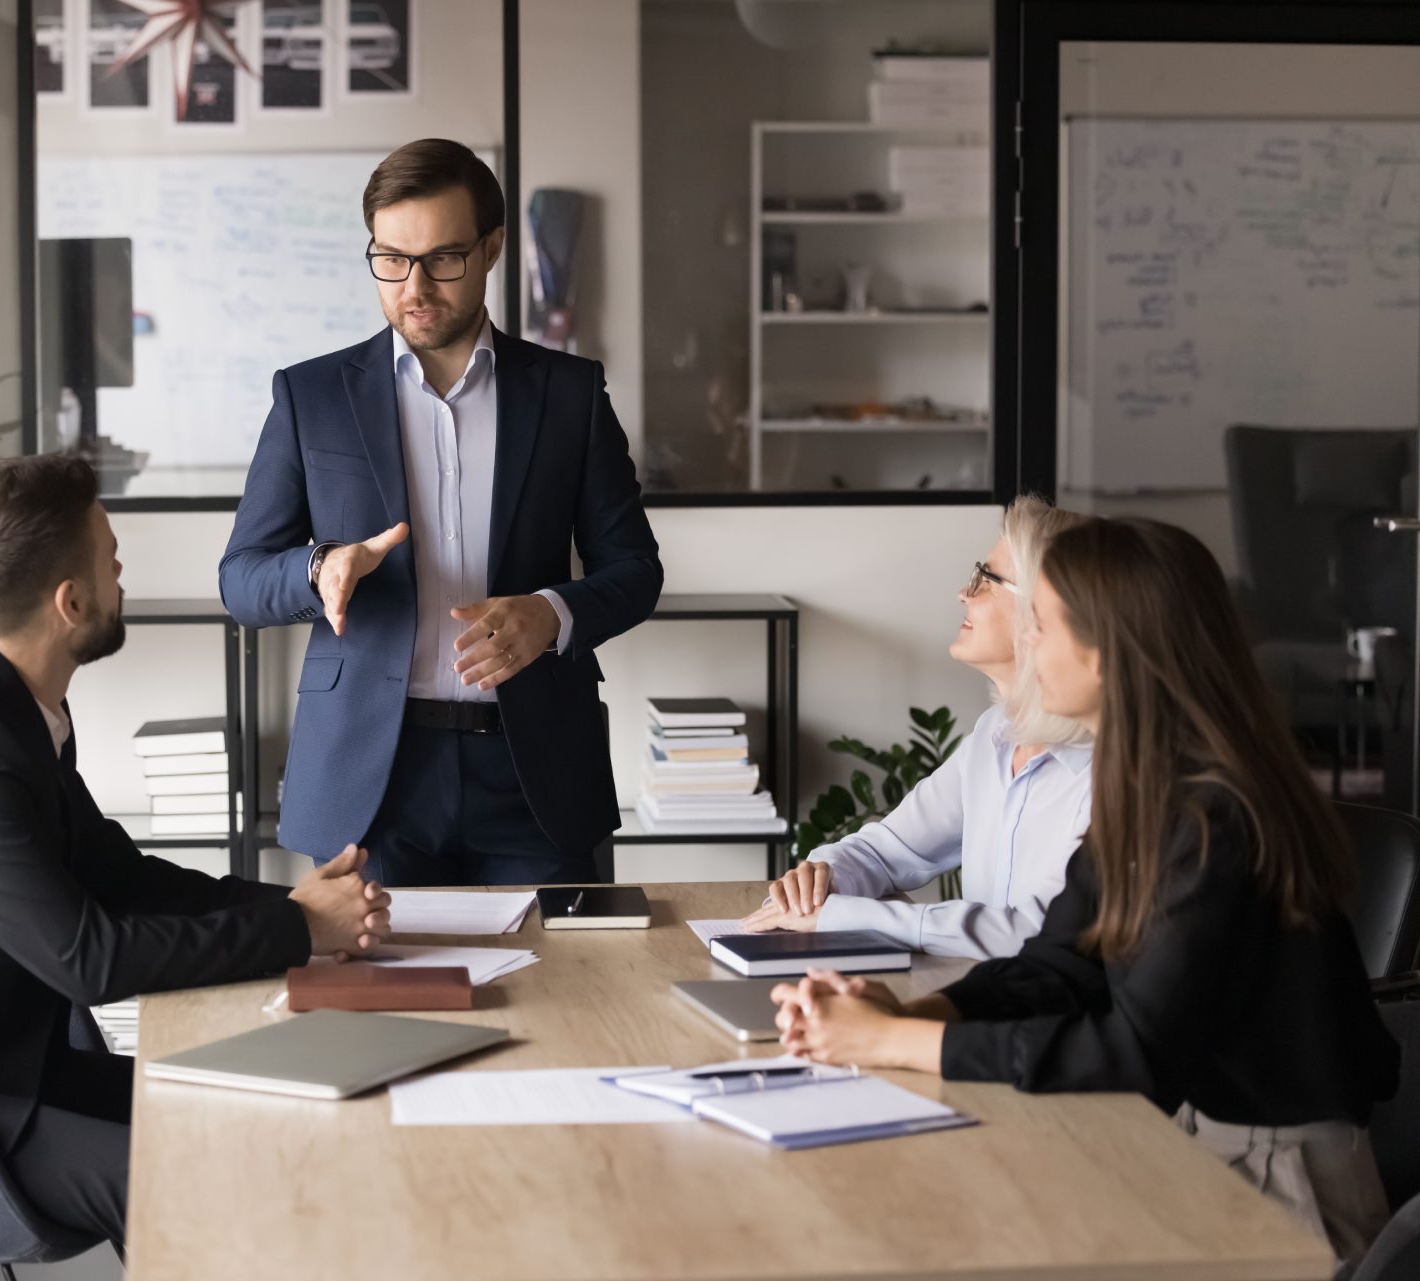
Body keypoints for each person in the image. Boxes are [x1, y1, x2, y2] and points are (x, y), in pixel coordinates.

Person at [0, 454, 392, 1248]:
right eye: (109, 554)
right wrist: (302, 931)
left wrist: (300, 909)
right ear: (70, 603)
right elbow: (88, 958)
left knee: (246, 1113)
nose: (121, 565)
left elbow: (117, 875)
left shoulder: (9, 710)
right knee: (192, 1176)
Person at [771, 516, 1398, 1263]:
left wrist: (897, 1041)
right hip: (1192, 1135)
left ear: (1109, 656)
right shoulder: (1149, 782)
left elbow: (1136, 1054)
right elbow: (1057, 964)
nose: (1026, 646)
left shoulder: (1212, 814)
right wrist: (910, 1012)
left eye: (1040, 624)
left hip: (1279, 1182)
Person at [219, 138, 662, 887]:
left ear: (491, 249)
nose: (413, 285)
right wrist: (320, 567)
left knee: (557, 999)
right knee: (383, 1005)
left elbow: (635, 570)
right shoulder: (311, 397)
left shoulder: (570, 394)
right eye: (391, 258)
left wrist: (551, 614)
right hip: (372, 781)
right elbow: (242, 578)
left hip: (535, 775)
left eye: (443, 258)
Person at [739, 497, 1092, 958]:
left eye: (987, 580)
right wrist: (819, 879)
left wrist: (839, 917)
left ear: (1045, 612)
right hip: (982, 1000)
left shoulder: (1108, 768)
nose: (964, 594)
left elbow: (1034, 933)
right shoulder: (995, 735)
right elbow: (888, 850)